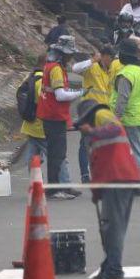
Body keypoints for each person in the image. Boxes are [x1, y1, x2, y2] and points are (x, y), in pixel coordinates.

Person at [73, 100, 140, 279]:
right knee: (112, 227)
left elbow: (115, 129)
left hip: (118, 179)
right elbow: (97, 164)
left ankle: (114, 269)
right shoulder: (93, 137)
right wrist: (96, 193)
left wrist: (91, 131)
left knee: (113, 228)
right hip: (118, 179)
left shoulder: (101, 114)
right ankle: (110, 263)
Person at [38, 35, 84, 199]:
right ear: (62, 54)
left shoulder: (50, 66)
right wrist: (79, 93)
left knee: (57, 154)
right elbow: (60, 95)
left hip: (51, 115)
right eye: (69, 54)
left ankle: (60, 187)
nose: (70, 57)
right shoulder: (56, 69)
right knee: (56, 155)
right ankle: (54, 189)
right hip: (54, 116)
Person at [72, 44, 122, 183]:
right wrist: (92, 60)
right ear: (103, 56)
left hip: (104, 113)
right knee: (85, 144)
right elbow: (75, 68)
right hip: (88, 111)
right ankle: (85, 175)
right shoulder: (91, 68)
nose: (112, 61)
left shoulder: (110, 72)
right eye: (110, 58)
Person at [111, 37, 140, 172]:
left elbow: (122, 98)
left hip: (131, 120)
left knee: (134, 153)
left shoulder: (126, 73)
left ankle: (136, 180)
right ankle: (135, 177)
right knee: (138, 152)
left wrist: (116, 118)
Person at [19, 53, 48, 171]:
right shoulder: (42, 81)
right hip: (42, 127)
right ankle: (62, 182)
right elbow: (46, 103)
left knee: (33, 158)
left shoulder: (30, 77)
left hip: (30, 124)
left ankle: (35, 181)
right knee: (58, 159)